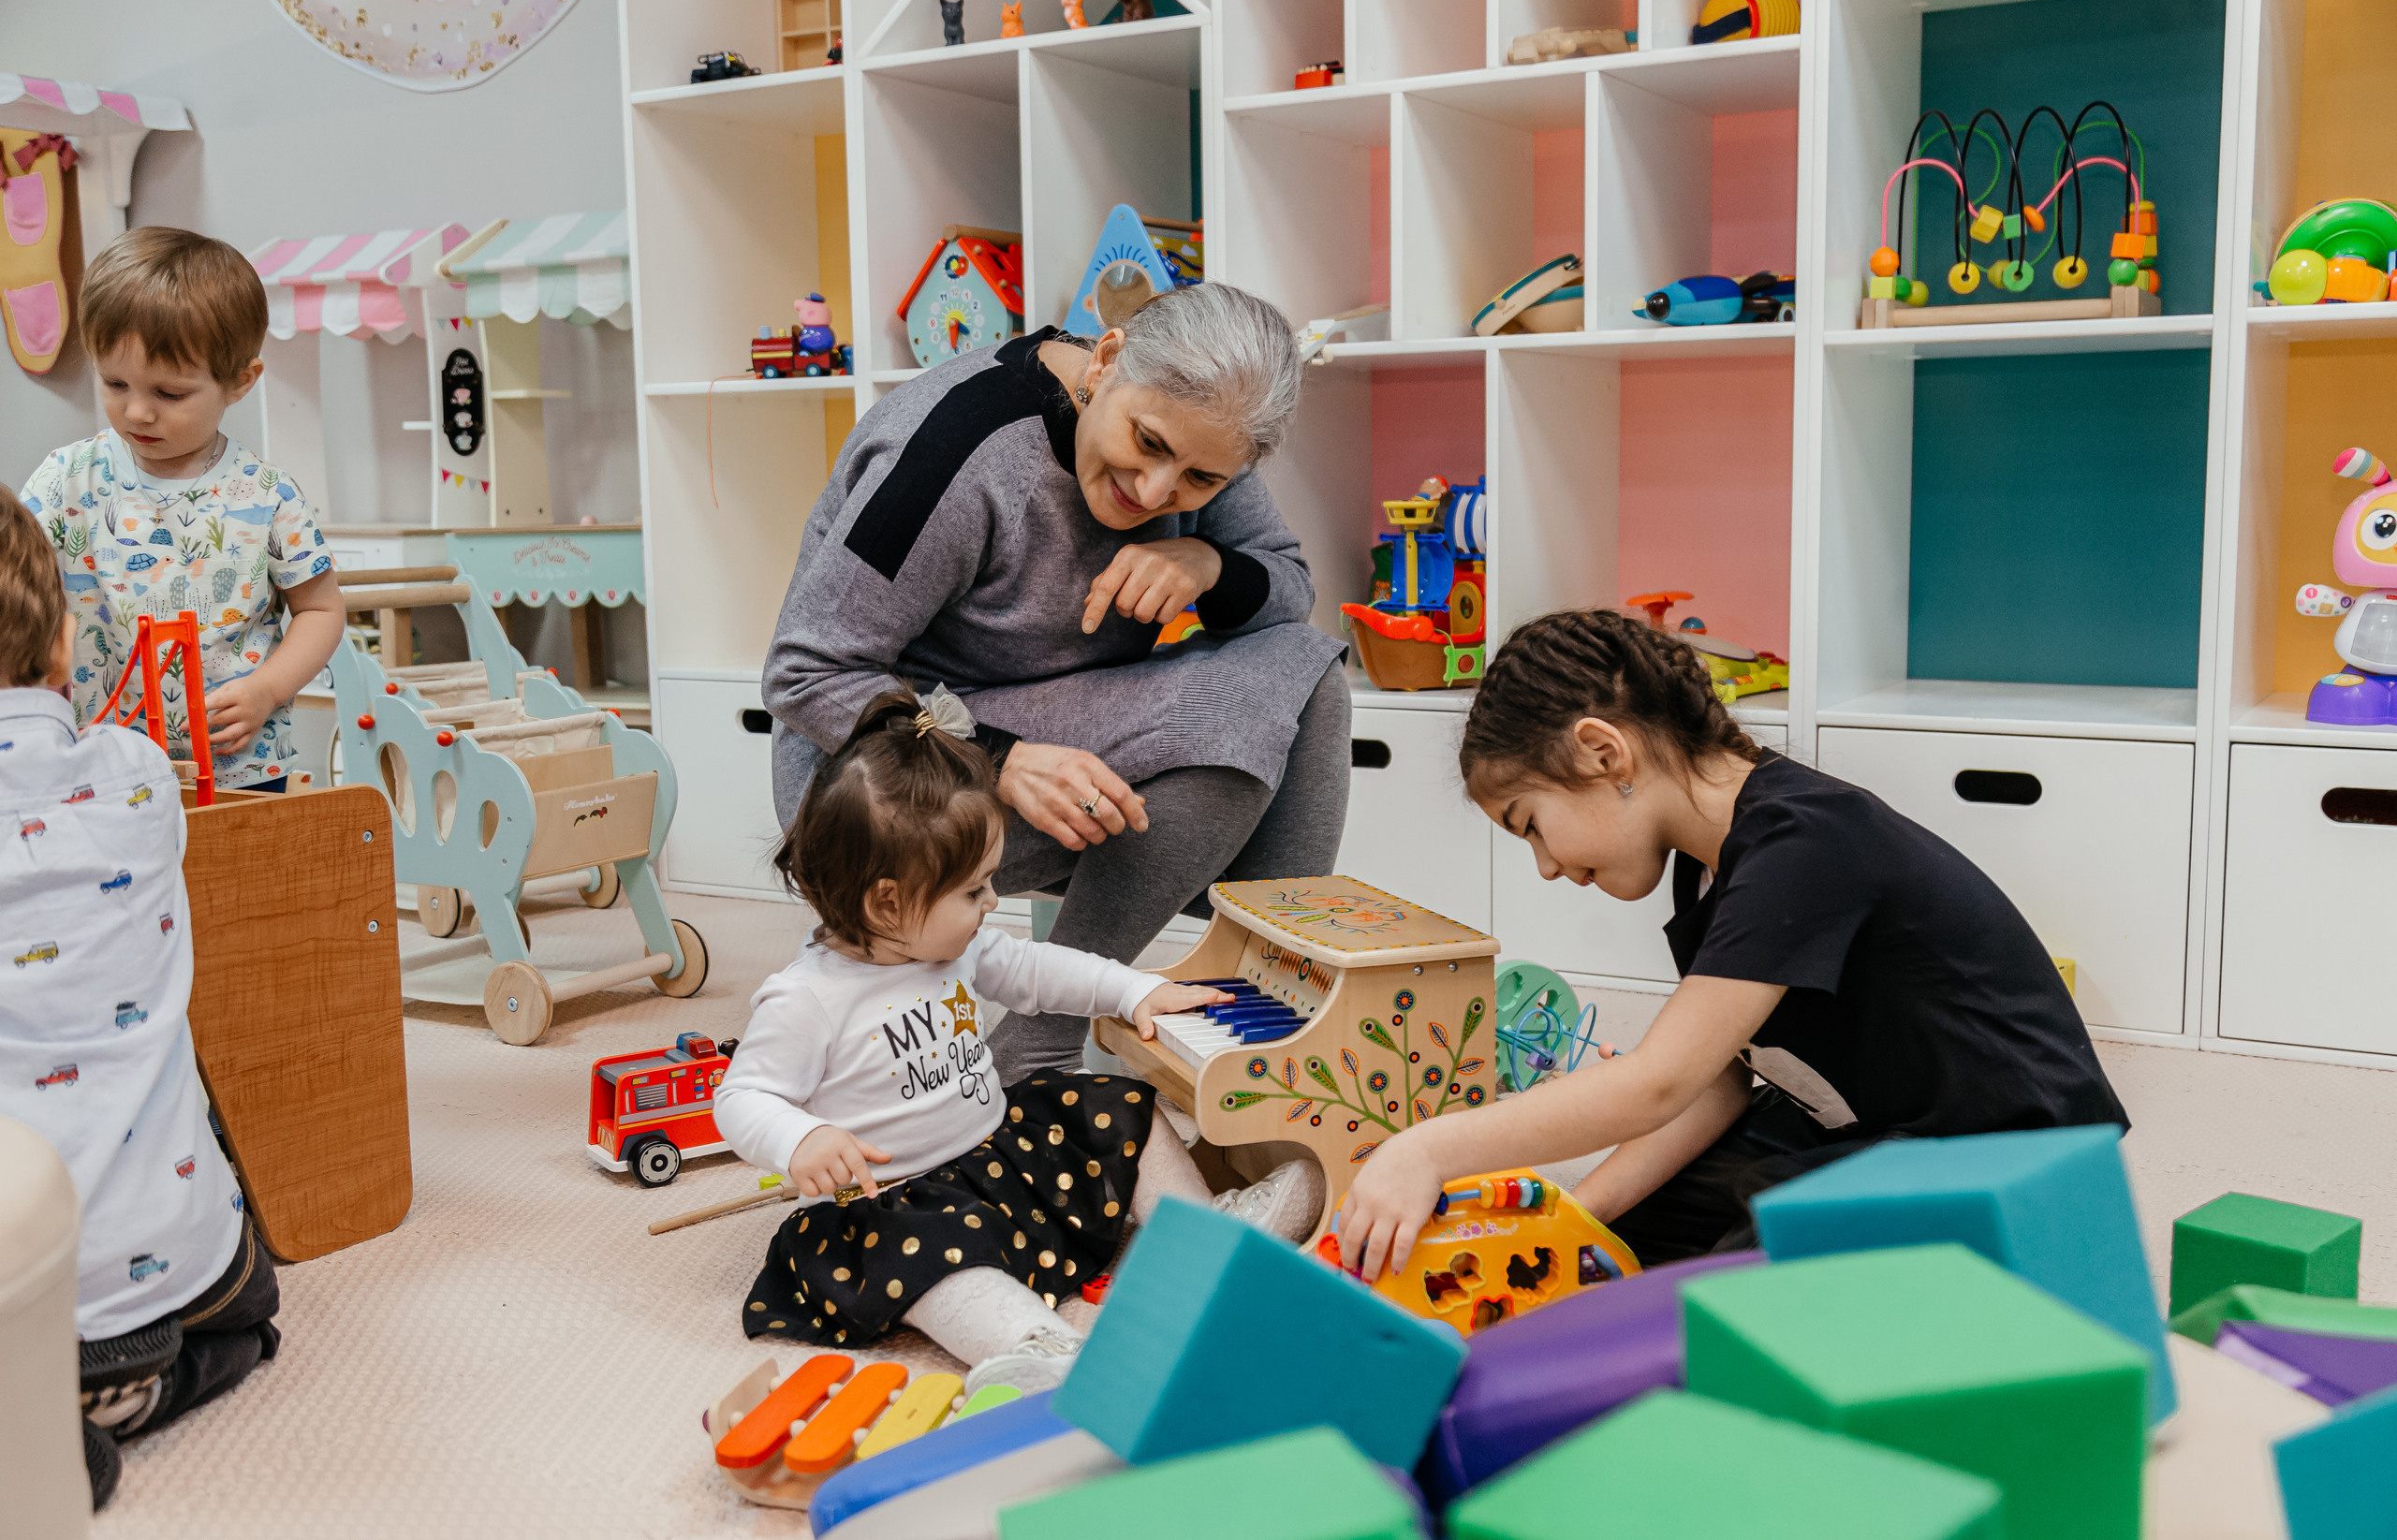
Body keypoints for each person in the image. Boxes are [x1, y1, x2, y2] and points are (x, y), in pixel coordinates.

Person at [1334, 609, 2131, 1283]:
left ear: (1603, 752)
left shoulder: (1806, 841)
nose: (1545, 865)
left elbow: (1658, 1082)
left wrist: (1426, 1148)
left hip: (2013, 1155)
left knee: (1740, 1284)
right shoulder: (1709, 864)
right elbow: (1718, 1081)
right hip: (1880, 1124)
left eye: (1532, 824)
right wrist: (1577, 1218)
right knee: (1627, 1231)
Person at [763, 283, 1348, 1086]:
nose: (1153, 492)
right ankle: (1040, 1042)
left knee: (1309, 672)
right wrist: (994, 756)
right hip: (878, 780)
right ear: (1107, 359)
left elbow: (1289, 587)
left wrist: (1206, 564)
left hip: (1060, 731)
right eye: (1145, 443)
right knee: (1228, 715)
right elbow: (804, 672)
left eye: (1199, 482)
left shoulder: (1205, 431)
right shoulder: (953, 454)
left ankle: (1262, 1019)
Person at [715, 687, 1322, 1394]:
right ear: (887, 901)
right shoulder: (806, 997)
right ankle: (1035, 1343)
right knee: (941, 1265)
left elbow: (1038, 971)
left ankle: (1199, 1229)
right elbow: (743, 1095)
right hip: (897, 1204)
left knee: (1109, 1102)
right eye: (974, 891)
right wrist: (800, 1140)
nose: (993, 903)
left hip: (994, 1155)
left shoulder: (952, 946)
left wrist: (1133, 990)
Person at [0, 496, 281, 1510]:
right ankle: (157, 1373)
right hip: (182, 1250)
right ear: (65, 645)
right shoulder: (134, 775)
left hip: (20, 1284)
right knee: (254, 1305)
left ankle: (75, 1404)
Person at [18, 227, 342, 792]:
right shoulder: (64, 480)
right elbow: (15, 587)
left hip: (236, 766)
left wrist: (267, 689)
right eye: (115, 383)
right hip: (95, 766)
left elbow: (320, 611)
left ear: (240, 381)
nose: (137, 411)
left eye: (169, 394)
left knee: (233, 884)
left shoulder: (268, 495)